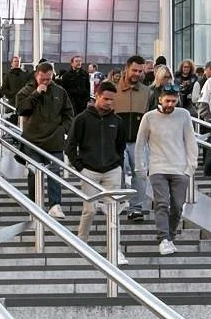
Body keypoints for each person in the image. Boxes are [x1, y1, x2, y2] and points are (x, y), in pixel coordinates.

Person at [66, 81, 128, 258]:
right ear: (97, 96)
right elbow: (70, 146)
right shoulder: (82, 119)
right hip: (89, 171)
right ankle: (81, 242)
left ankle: (115, 249)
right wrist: (80, 167)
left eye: (112, 99)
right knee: (90, 210)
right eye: (106, 99)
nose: (109, 102)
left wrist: (118, 165)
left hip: (112, 170)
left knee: (113, 210)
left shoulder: (117, 121)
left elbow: (120, 146)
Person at [136, 82, 197, 256]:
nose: (170, 104)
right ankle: (163, 238)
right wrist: (140, 168)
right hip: (158, 168)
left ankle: (170, 237)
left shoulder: (183, 115)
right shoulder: (149, 117)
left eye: (173, 101)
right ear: (160, 99)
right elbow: (140, 144)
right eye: (167, 101)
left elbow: (191, 141)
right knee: (162, 203)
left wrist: (190, 168)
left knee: (177, 206)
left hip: (180, 169)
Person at [15, 60, 74, 216]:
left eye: (49, 78)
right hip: (33, 139)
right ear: (37, 76)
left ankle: (55, 204)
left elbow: (68, 113)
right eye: (43, 79)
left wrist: (63, 129)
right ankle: (34, 204)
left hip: (54, 139)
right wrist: (36, 93)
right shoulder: (26, 91)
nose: (46, 82)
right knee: (34, 172)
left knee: (55, 171)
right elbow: (21, 109)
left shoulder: (60, 92)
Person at [111, 56, 152, 220]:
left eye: (140, 71)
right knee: (118, 171)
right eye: (134, 70)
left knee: (140, 174)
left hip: (139, 141)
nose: (137, 74)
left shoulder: (147, 92)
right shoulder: (113, 90)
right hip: (117, 140)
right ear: (126, 69)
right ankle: (120, 202)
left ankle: (136, 207)